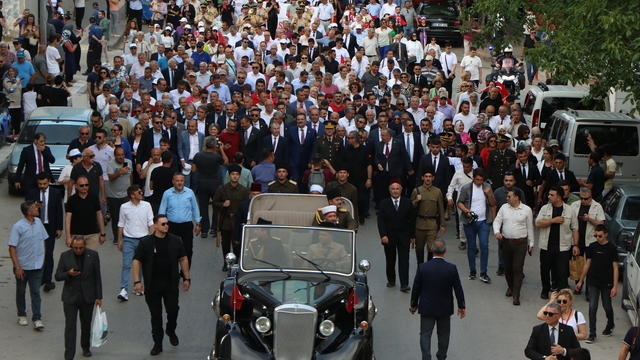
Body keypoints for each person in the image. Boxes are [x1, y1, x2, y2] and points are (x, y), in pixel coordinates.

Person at [133, 214, 191, 356]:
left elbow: (183, 258)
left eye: (167, 223)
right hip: (153, 284)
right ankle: (157, 343)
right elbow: (136, 261)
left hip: (170, 282)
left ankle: (170, 330)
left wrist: (187, 278)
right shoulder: (146, 242)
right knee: (156, 314)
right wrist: (137, 282)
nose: (166, 226)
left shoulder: (175, 240)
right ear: (155, 226)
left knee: (173, 309)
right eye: (163, 224)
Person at [410, 239, 466, 360]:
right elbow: (458, 289)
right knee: (444, 334)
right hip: (444, 308)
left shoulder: (423, 267)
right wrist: (461, 306)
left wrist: (414, 304)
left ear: (431, 250)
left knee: (425, 334)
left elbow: (416, 288)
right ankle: (441, 356)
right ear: (445, 251)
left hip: (427, 307)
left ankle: (426, 357)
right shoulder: (451, 268)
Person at [54, 235, 103, 360]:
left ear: (85, 246)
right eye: (75, 248)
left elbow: (97, 276)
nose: (78, 250)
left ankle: (85, 347)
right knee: (70, 326)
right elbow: (58, 276)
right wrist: (68, 274)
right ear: (72, 246)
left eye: (81, 248)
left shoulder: (93, 255)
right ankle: (69, 354)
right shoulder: (65, 256)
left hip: (87, 296)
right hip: (70, 297)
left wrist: (99, 296)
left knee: (86, 324)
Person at [9, 200, 48, 330]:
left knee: (36, 292)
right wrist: (17, 267)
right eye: (34, 208)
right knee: (21, 291)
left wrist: (43, 258)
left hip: (37, 265)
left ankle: (37, 318)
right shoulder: (18, 227)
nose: (37, 209)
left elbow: (43, 240)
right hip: (23, 266)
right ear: (28, 212)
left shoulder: (38, 223)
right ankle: (22, 315)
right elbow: (12, 248)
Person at [576, 224, 618, 343]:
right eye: (596, 235)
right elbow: (587, 264)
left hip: (606, 282)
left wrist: (615, 286)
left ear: (606, 234)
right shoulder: (592, 247)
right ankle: (592, 333)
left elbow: (615, 268)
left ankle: (610, 324)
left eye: (600, 236)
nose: (597, 238)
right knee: (592, 307)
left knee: (607, 306)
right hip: (593, 280)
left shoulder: (612, 248)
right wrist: (581, 280)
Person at [536, 186, 580, 300]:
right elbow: (538, 223)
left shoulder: (569, 210)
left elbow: (575, 228)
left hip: (563, 246)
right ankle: (545, 289)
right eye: (549, 194)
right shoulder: (545, 208)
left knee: (562, 271)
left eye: (552, 195)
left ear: (559, 197)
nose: (549, 196)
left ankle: (562, 293)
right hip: (547, 245)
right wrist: (552, 221)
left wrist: (575, 245)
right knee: (545, 269)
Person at [493, 189, 534, 305]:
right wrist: (497, 231)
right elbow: (497, 221)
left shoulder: (527, 210)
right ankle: (510, 286)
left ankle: (516, 294)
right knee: (508, 267)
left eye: (509, 196)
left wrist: (531, 244)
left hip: (520, 243)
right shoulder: (504, 208)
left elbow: (530, 228)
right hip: (506, 242)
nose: (507, 198)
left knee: (517, 268)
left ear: (517, 198)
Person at [26, 172, 64, 293]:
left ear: (49, 182)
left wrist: (59, 228)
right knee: (36, 251)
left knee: (48, 253)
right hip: (35, 226)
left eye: (44, 183)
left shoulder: (55, 193)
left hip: (50, 227)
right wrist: (33, 206)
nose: (42, 186)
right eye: (40, 184)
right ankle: (37, 276)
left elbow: (59, 211)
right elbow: (25, 209)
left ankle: (47, 279)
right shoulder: (32, 193)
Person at [457, 168, 496, 283]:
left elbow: (493, 204)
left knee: (484, 245)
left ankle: (483, 272)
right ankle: (472, 270)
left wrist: (489, 194)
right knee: (471, 246)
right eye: (477, 179)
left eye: (481, 180)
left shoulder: (487, 187)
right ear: (473, 178)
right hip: (470, 222)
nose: (479, 182)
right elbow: (459, 202)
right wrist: (466, 211)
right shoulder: (466, 188)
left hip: (483, 221)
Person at [117, 184, 154, 301]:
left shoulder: (147, 205)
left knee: (141, 264)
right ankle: (123, 289)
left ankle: (136, 285)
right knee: (127, 264)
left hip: (144, 239)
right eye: (139, 192)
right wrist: (119, 239)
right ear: (132, 195)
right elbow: (121, 223)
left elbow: (151, 222)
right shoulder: (124, 207)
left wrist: (153, 239)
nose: (141, 193)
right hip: (129, 239)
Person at [159, 173, 201, 274]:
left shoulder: (190, 193)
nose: (179, 183)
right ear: (173, 182)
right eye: (177, 180)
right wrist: (161, 225)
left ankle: (185, 271)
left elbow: (195, 208)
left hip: (186, 225)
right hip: (172, 226)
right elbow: (162, 209)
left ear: (184, 181)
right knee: (172, 250)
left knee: (188, 250)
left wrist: (198, 223)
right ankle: (173, 272)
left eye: (181, 180)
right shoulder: (167, 193)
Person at [377, 179, 415, 291]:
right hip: (389, 236)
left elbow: (411, 220)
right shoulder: (383, 204)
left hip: (404, 236)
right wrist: (383, 235)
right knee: (390, 259)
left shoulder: (408, 203)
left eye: (397, 189)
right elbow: (381, 221)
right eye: (393, 189)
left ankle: (404, 284)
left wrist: (412, 236)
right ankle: (391, 280)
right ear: (389, 191)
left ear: (401, 190)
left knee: (404, 260)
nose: (395, 191)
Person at [213, 164, 250, 267]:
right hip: (225, 220)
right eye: (232, 174)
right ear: (229, 175)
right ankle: (226, 262)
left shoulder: (243, 190)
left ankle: (236, 263)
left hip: (237, 221)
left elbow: (247, 206)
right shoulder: (222, 189)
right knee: (225, 243)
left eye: (237, 174)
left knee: (237, 244)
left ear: (239, 176)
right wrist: (222, 205)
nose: (234, 176)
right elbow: (214, 202)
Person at [192, 136, 229, 238]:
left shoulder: (198, 155)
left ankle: (204, 230)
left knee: (203, 207)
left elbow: (194, 169)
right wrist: (222, 150)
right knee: (216, 206)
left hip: (202, 182)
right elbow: (226, 162)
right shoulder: (216, 157)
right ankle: (214, 228)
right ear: (214, 146)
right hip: (214, 183)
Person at [411, 167, 446, 264]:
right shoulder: (416, 191)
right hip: (420, 224)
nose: (428, 178)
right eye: (426, 176)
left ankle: (429, 268)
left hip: (432, 224)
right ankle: (420, 267)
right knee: (419, 248)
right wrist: (416, 201)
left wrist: (442, 224)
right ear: (422, 177)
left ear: (433, 178)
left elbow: (441, 209)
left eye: (430, 177)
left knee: (431, 248)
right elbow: (410, 207)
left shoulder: (437, 191)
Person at [66, 175, 107, 250]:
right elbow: (68, 218)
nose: (84, 187)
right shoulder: (72, 200)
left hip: (92, 234)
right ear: (76, 186)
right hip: (76, 234)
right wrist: (68, 236)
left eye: (86, 185)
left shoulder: (94, 198)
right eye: (81, 185)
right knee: (77, 259)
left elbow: (99, 215)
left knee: (90, 258)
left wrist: (102, 234)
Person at [15, 132, 55, 198]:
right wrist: (17, 180)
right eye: (41, 141)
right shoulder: (27, 150)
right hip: (31, 178)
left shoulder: (46, 149)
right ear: (35, 140)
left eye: (44, 141)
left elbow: (52, 160)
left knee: (43, 198)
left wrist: (43, 151)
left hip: (43, 177)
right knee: (30, 198)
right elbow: (21, 165)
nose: (43, 143)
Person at [106, 147, 133, 244]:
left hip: (126, 194)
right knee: (116, 217)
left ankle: (127, 235)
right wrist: (120, 172)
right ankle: (116, 237)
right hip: (114, 195)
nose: (121, 157)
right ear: (115, 155)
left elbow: (130, 175)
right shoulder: (111, 164)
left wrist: (131, 188)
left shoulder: (129, 162)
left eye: (122, 154)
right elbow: (111, 178)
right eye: (118, 155)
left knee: (127, 216)